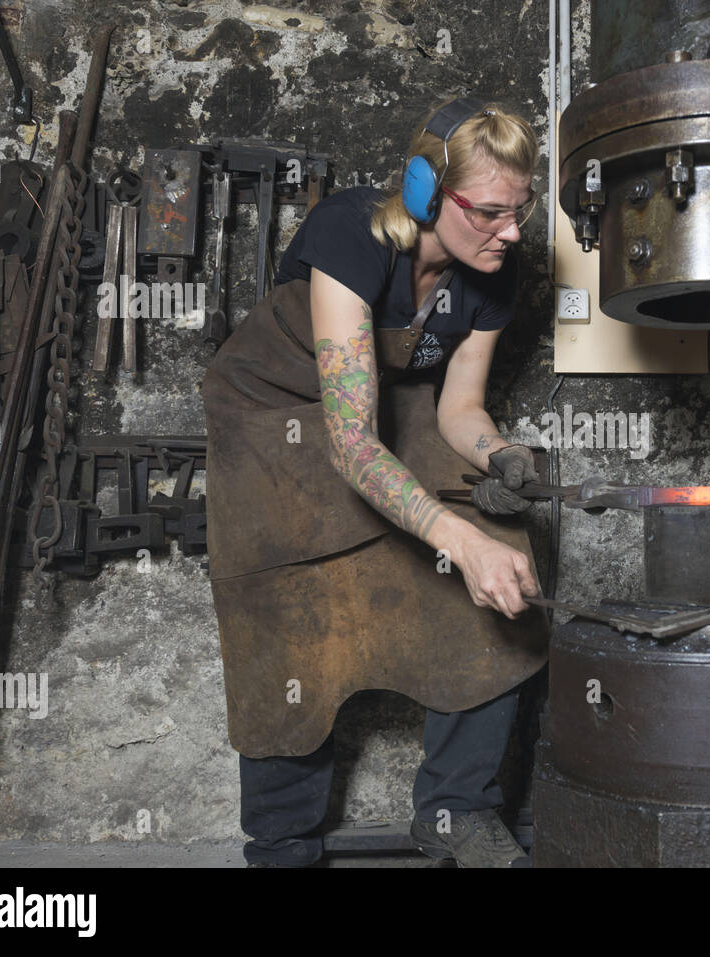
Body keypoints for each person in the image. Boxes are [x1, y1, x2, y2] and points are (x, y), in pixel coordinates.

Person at [200, 97, 549, 868]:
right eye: (490, 212)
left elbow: (459, 407)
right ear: (427, 193)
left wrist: (499, 456)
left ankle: (458, 808)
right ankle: (284, 842)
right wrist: (456, 541)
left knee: (504, 550)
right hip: (275, 419)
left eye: (519, 210)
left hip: (398, 415)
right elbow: (352, 444)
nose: (513, 231)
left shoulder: (495, 270)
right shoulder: (352, 234)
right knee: (287, 614)